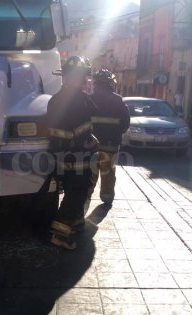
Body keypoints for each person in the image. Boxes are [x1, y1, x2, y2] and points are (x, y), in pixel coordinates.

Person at [46, 56, 98, 250]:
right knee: (77, 193)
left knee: (70, 189)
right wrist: (90, 140)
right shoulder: (81, 101)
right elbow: (83, 128)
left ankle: (75, 223)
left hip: (60, 156)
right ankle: (60, 235)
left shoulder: (55, 99)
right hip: (78, 157)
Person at [88, 69, 130, 206]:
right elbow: (125, 123)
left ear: (96, 83)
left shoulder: (89, 99)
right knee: (108, 173)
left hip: (92, 146)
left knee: (91, 172)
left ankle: (86, 195)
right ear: (111, 83)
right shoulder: (117, 100)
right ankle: (107, 198)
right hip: (111, 145)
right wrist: (117, 132)